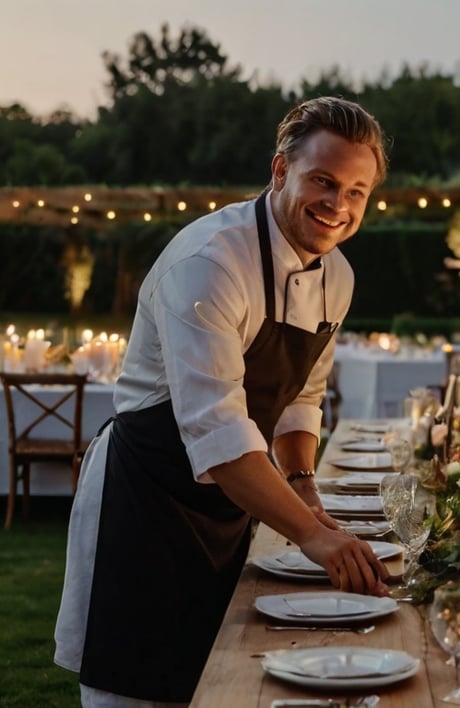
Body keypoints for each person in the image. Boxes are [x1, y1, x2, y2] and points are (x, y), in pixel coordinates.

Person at [54, 96, 391, 706]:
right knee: (135, 685)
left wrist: (302, 480)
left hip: (231, 503)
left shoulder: (336, 276)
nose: (338, 206)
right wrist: (313, 538)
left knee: (222, 681)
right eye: (323, 180)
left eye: (357, 191)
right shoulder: (210, 263)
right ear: (280, 170)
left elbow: (301, 395)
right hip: (147, 500)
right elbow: (220, 432)